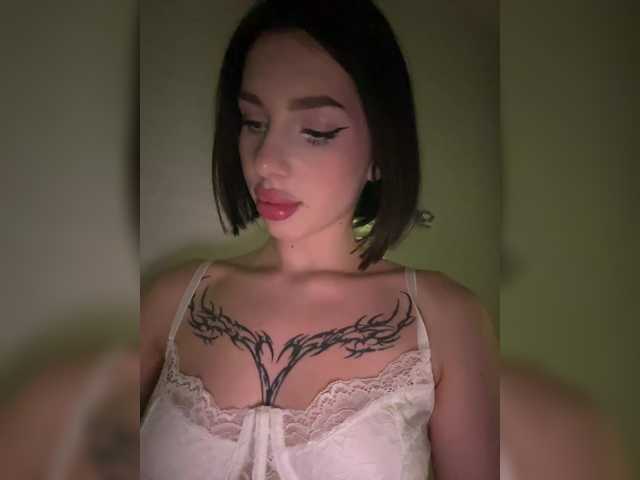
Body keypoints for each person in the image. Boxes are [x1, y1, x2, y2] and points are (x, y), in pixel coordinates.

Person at [141, 1, 498, 478]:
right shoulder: (171, 301)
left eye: (316, 131)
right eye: (253, 122)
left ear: (381, 150)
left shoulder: (445, 320)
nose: (265, 161)